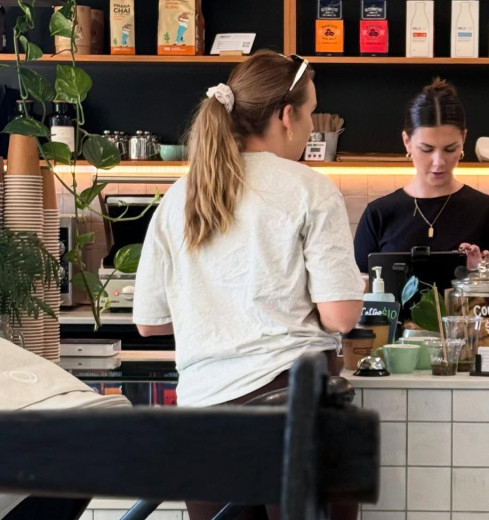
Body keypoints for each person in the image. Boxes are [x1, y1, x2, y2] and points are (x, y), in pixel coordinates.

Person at [132, 50, 364, 520]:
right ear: (285, 116)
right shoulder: (309, 188)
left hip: (204, 420)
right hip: (292, 409)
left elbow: (148, 324)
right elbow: (341, 315)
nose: (310, 129)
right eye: (310, 114)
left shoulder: (179, 197)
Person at [353, 78, 489, 278]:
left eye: (450, 149)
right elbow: (358, 293)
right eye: (427, 149)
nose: (438, 162)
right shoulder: (379, 214)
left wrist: (481, 279)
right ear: (407, 142)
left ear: (464, 139)